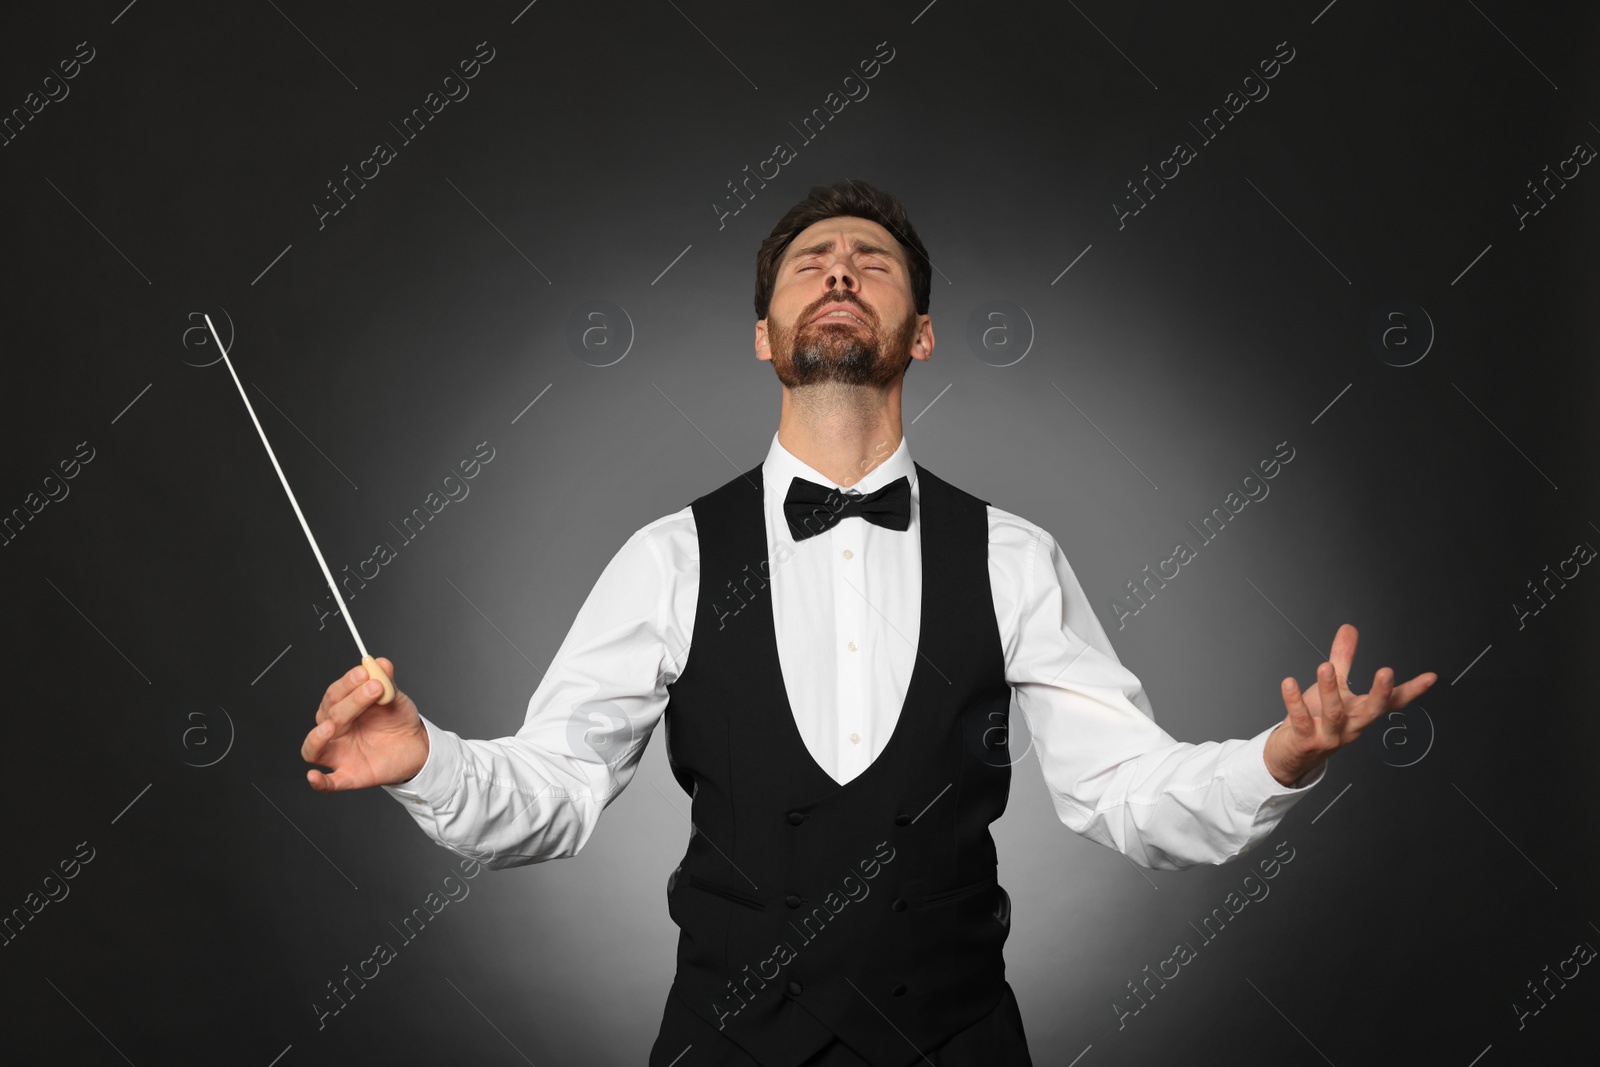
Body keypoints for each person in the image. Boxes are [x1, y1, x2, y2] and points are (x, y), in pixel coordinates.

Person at [300, 179, 1436, 1066]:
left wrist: (1278, 758)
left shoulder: (1011, 555)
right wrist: (426, 760)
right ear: (763, 333)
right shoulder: (670, 557)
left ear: (921, 333)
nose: (840, 271)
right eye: (811, 262)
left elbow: (1128, 796)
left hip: (958, 1043)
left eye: (872, 262)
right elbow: (550, 796)